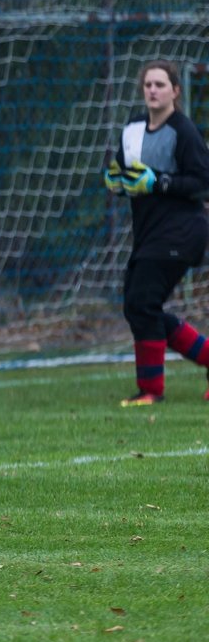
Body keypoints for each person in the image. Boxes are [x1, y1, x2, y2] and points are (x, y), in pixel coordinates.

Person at [102, 60, 209, 407]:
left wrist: (159, 182)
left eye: (160, 84)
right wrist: (115, 181)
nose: (153, 90)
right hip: (149, 233)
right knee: (138, 306)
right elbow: (121, 169)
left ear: (175, 91)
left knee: (142, 302)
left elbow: (201, 183)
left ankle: (150, 391)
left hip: (182, 231)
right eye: (148, 84)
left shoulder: (184, 131)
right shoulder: (132, 127)